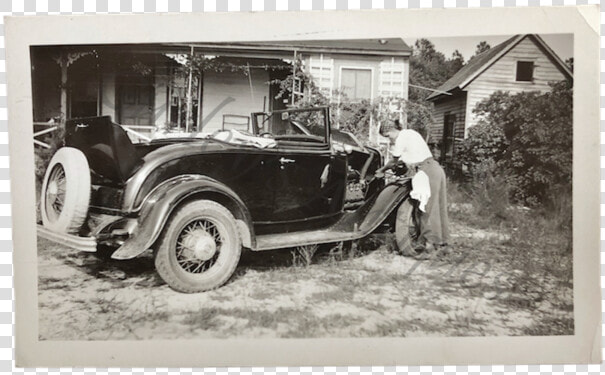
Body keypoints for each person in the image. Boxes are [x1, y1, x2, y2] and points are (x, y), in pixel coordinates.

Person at [375, 120, 450, 257]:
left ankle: (430, 247)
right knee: (438, 207)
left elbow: (395, 160)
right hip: (435, 168)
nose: (389, 139)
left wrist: (381, 170)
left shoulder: (401, 138)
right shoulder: (411, 133)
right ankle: (442, 244)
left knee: (425, 208)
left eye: (388, 136)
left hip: (426, 172)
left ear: (392, 131)